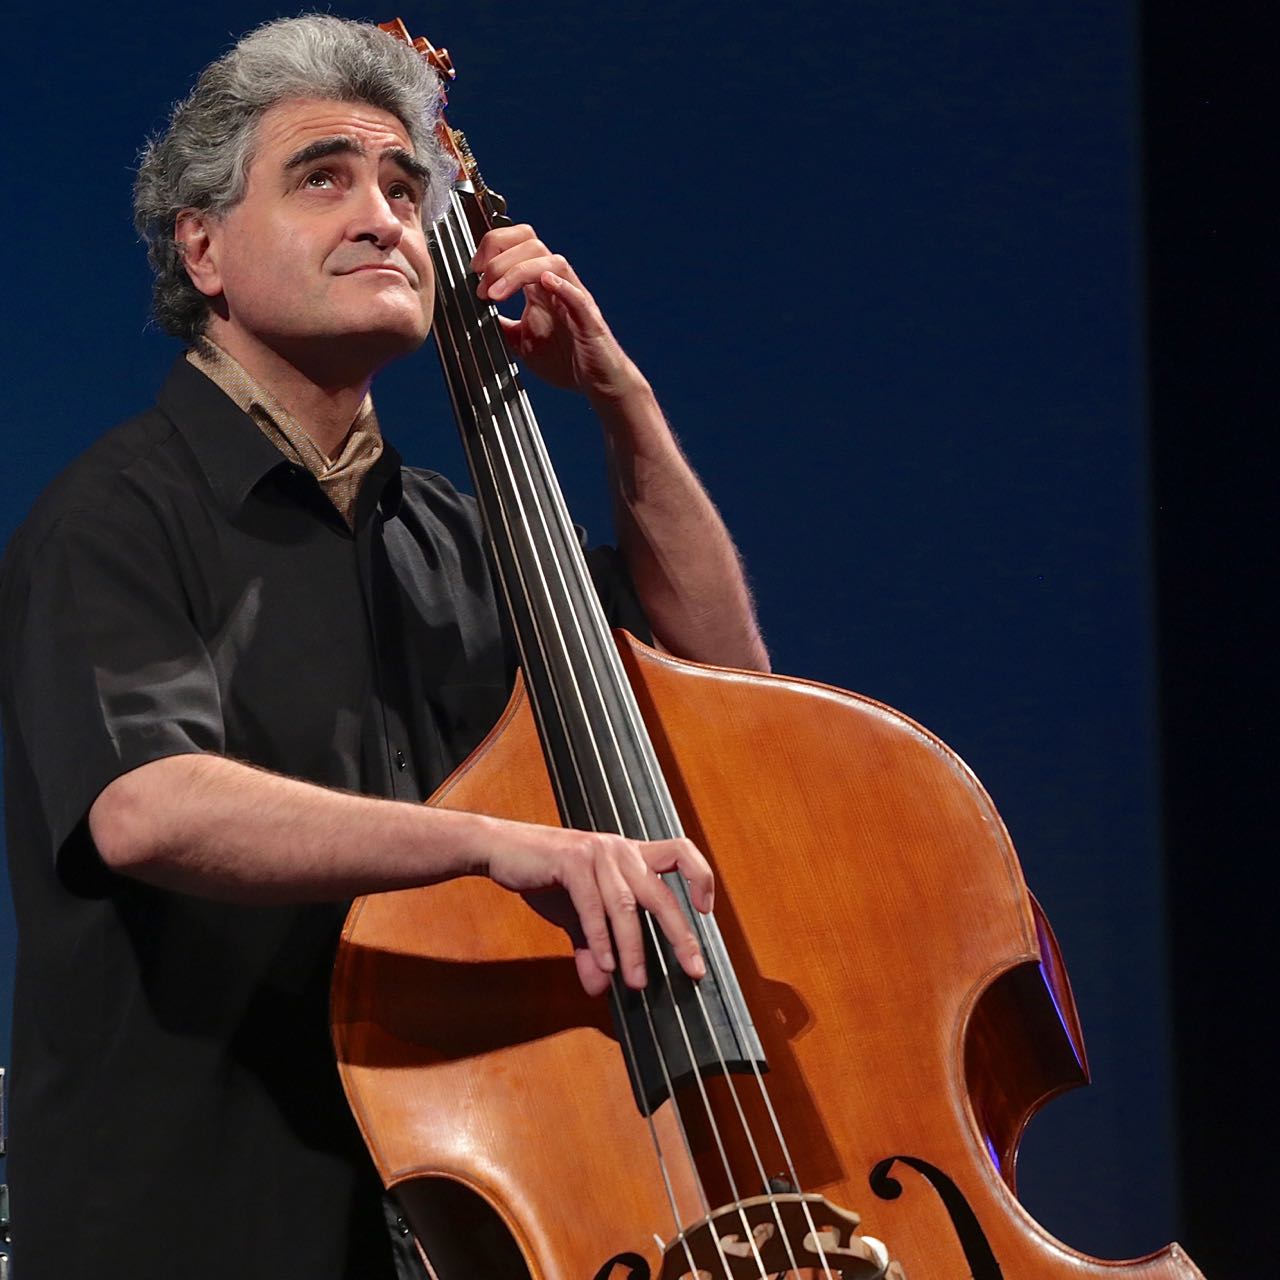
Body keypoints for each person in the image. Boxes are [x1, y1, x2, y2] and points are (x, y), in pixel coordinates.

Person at [0, 14, 768, 1280]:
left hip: (471, 1211)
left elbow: (724, 689)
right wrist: (492, 842)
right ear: (202, 247)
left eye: (406, 189)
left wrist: (621, 402)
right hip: (205, 1223)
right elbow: (147, 804)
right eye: (324, 178)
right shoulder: (115, 514)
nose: (384, 218)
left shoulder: (465, 536)